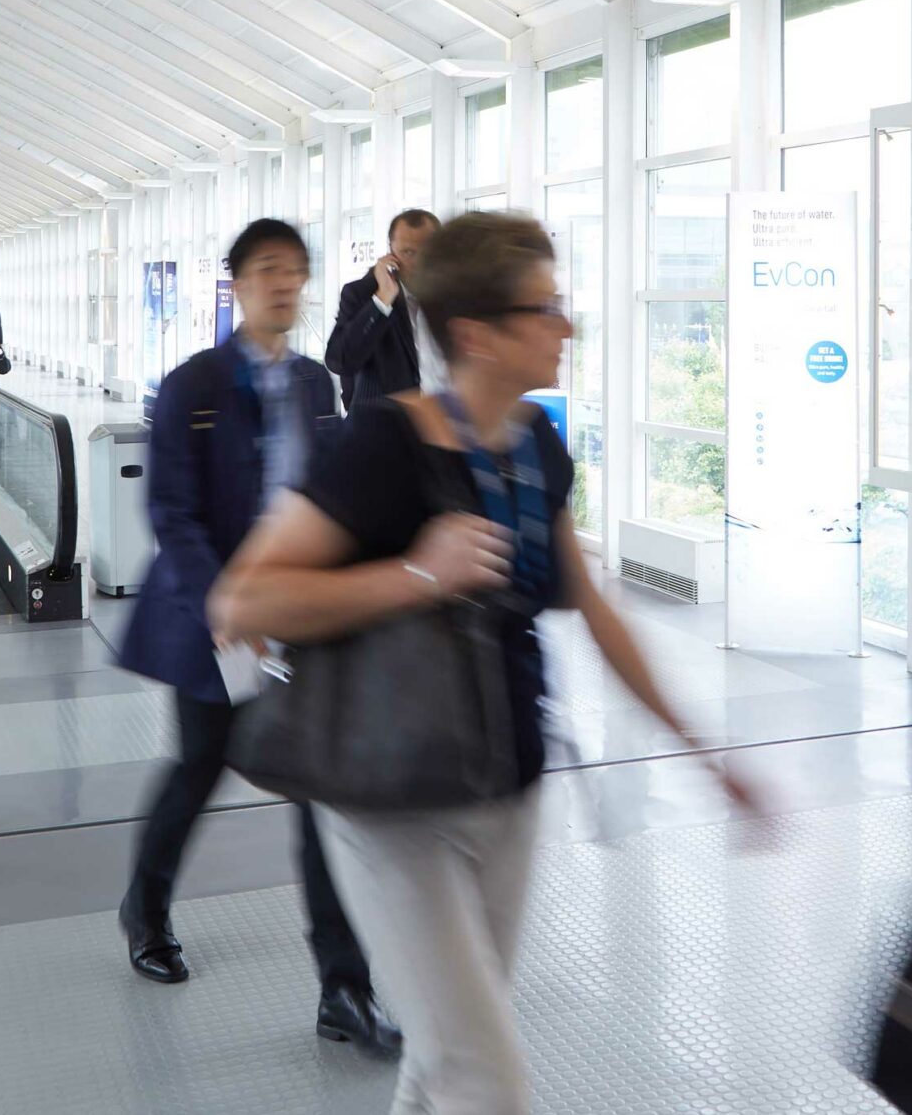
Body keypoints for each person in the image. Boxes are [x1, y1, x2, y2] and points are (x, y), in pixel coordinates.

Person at [216, 213, 755, 1114]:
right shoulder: (387, 444)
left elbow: (593, 607)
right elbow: (243, 601)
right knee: (485, 1078)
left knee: (445, 1058)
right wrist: (417, 572)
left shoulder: (536, 446)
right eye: (543, 309)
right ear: (477, 333)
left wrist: (703, 751)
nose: (566, 326)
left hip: (507, 784)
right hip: (392, 798)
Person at [113, 219, 399, 1056]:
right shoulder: (193, 385)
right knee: (200, 769)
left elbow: (334, 494)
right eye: (269, 270)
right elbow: (172, 512)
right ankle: (146, 906)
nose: (284, 285)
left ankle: (343, 987)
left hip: (299, 620)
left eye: (296, 272)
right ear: (235, 281)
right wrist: (229, 605)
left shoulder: (315, 385)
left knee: (318, 793)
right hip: (217, 622)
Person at [324, 209, 440, 411]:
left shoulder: (450, 295)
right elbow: (339, 361)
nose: (419, 263)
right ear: (391, 253)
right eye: (408, 253)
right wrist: (382, 300)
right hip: (384, 427)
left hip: (442, 425)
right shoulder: (362, 294)